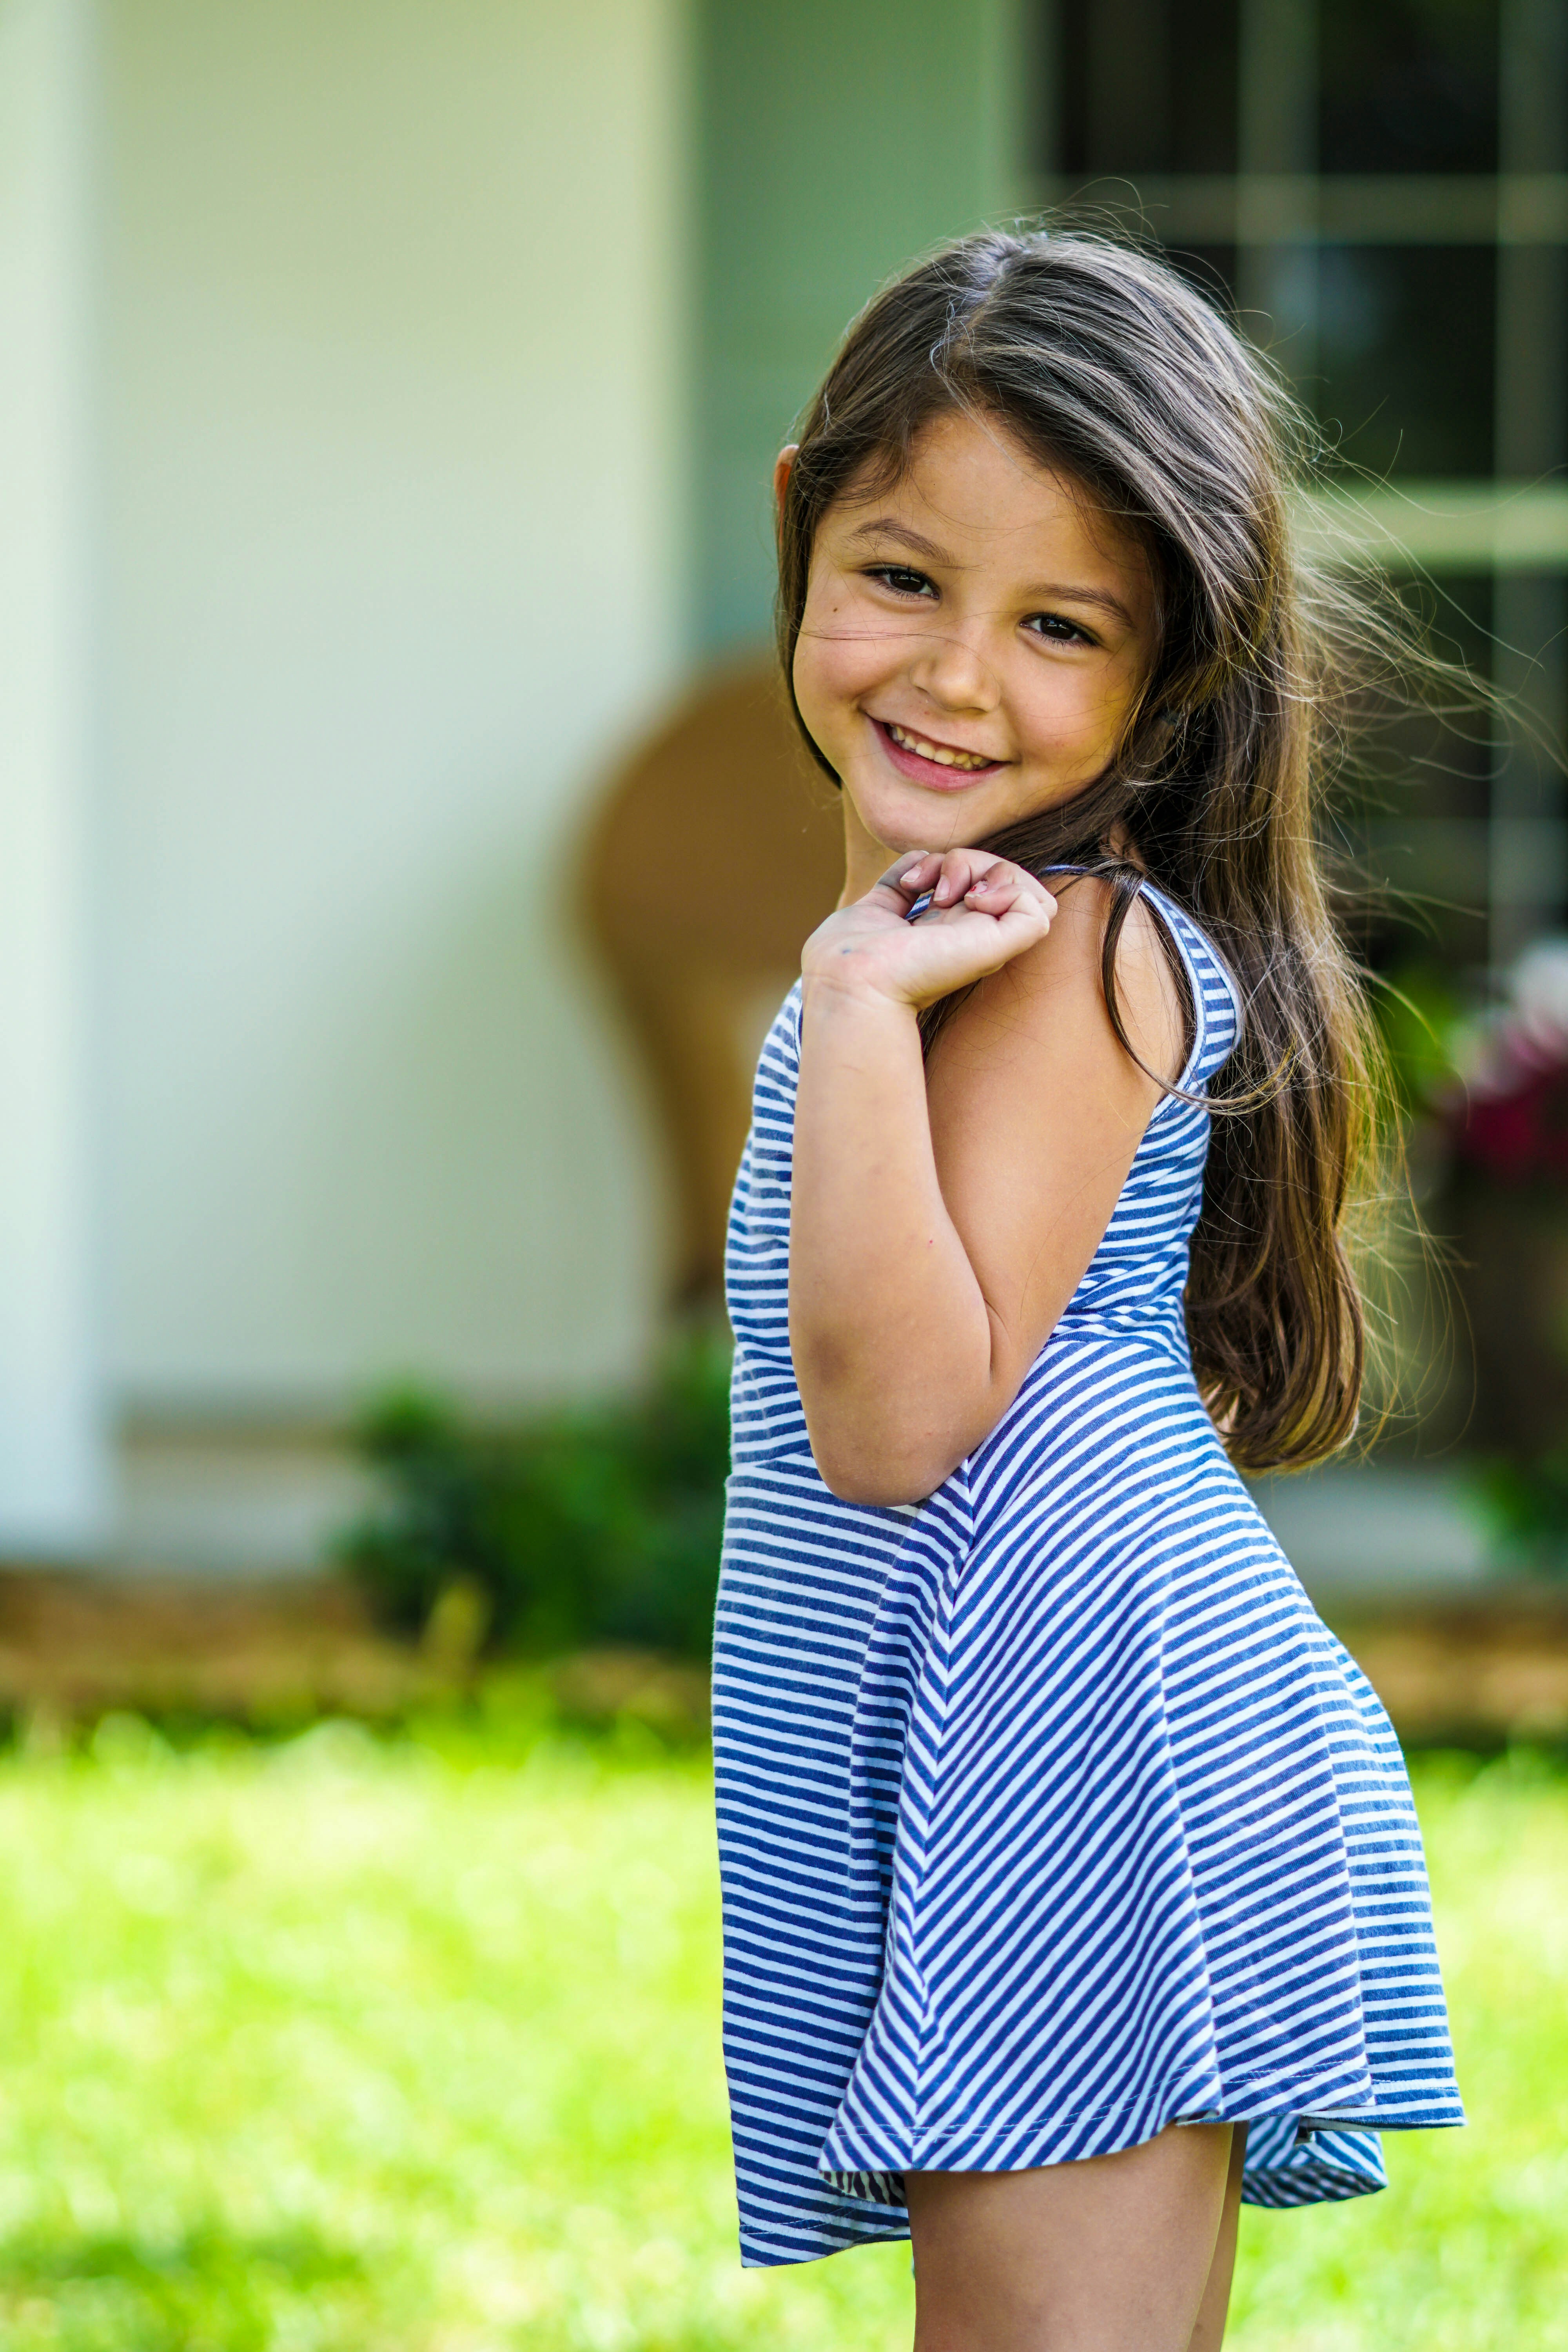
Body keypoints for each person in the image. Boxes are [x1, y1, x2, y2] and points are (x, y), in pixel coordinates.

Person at [711, 228, 1463, 2350]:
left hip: (1083, 1744)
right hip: (999, 1721)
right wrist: (864, 987)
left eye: (1060, 626)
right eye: (901, 577)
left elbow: (896, 1420)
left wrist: (853, 1004)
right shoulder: (956, 935)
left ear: (1169, 670)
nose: (954, 677)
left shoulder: (1070, 960)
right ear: (798, 522)